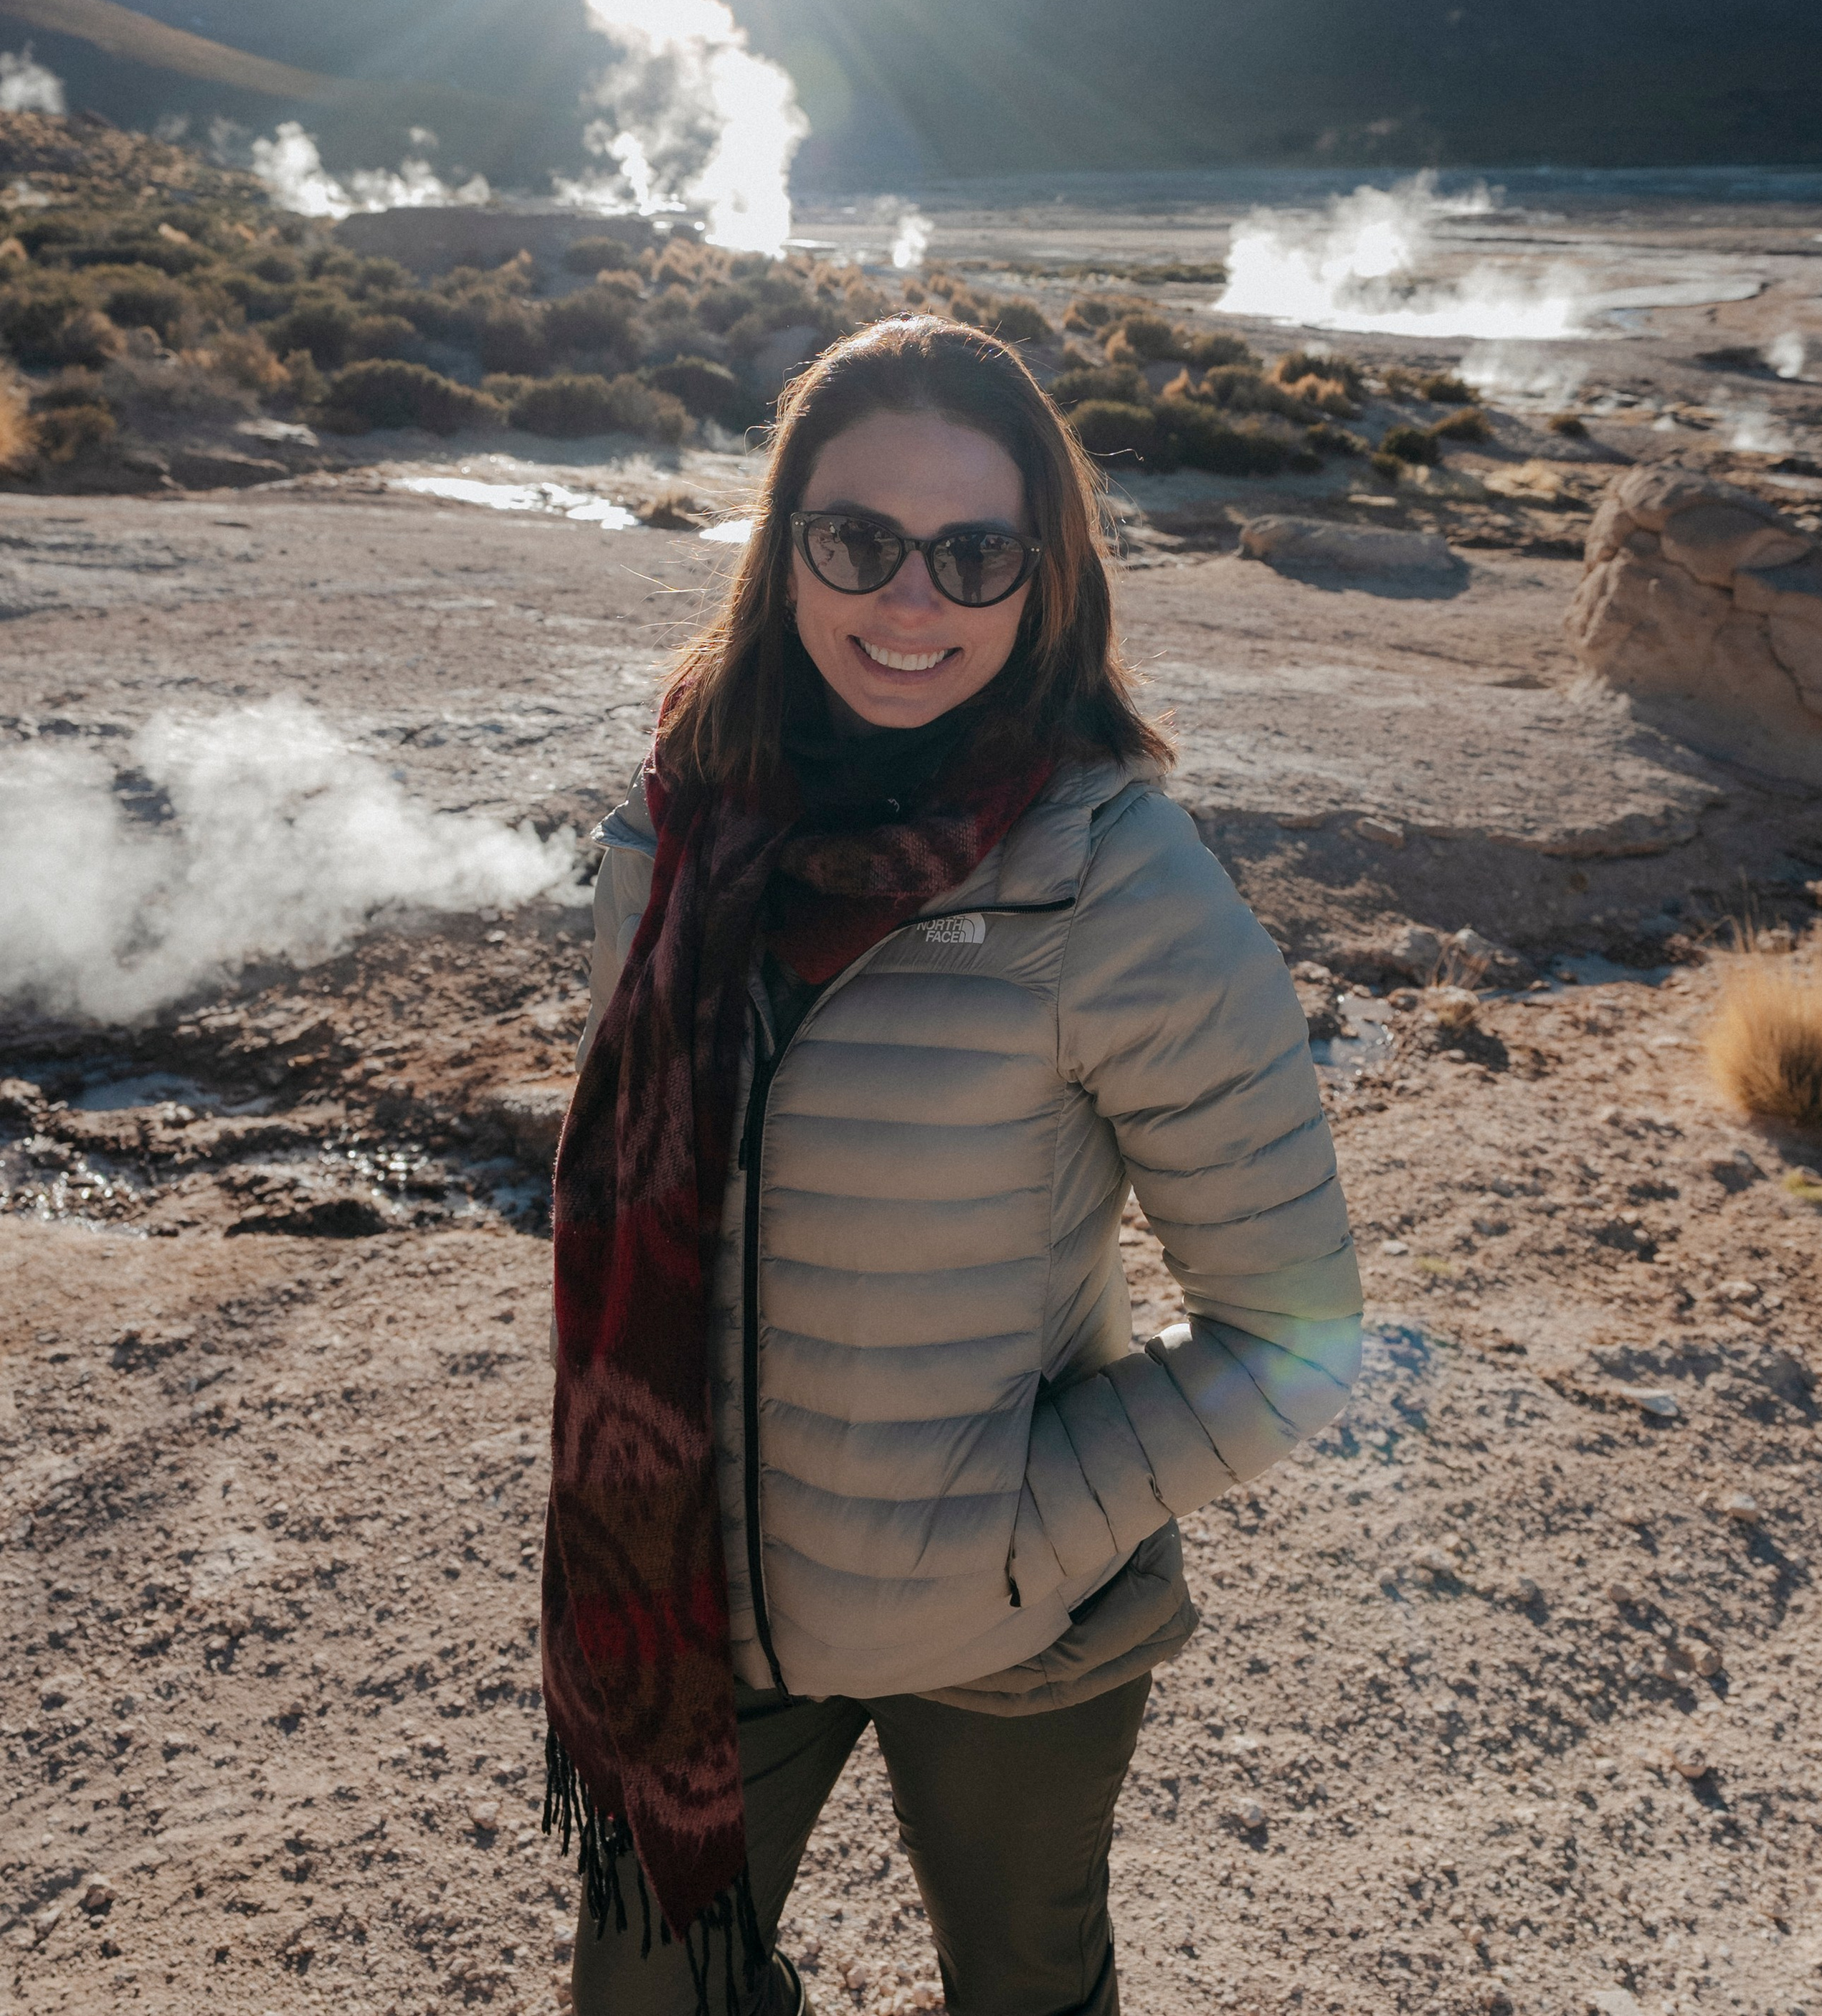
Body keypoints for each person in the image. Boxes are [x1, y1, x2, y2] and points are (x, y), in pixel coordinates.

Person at [542, 315, 1362, 2016]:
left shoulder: (1116, 885)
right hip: (693, 1600)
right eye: (856, 542)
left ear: (1041, 579)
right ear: (785, 552)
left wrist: (1011, 1537)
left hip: (1010, 1640)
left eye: (972, 554)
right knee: (643, 1992)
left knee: (1024, 1991)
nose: (908, 603)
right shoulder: (679, 825)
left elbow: (1291, 1336)